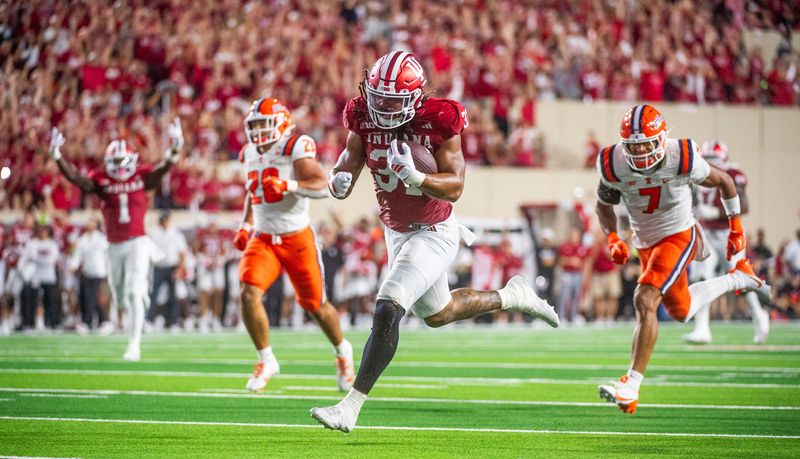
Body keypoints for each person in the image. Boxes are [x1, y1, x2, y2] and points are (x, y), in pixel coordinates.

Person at [310, 51, 559, 433]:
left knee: (387, 307)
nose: (382, 107)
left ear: (414, 97)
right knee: (438, 314)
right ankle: (513, 296)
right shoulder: (361, 114)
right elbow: (349, 158)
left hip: (433, 231)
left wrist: (418, 178)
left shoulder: (440, 118)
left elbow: (455, 186)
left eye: (392, 100)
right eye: (378, 98)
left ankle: (351, 406)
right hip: (396, 231)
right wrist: (337, 180)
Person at [594, 104, 771, 414]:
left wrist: (736, 232)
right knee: (681, 311)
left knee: (644, 298)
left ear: (662, 138)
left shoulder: (682, 156)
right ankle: (738, 278)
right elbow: (603, 205)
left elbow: (726, 182)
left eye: (647, 143)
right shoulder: (612, 163)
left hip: (678, 234)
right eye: (634, 146)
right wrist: (612, 237)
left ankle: (630, 385)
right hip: (645, 241)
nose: (642, 152)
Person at [233, 98, 355, 392]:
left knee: (316, 306)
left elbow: (321, 184)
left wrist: (289, 186)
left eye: (265, 125)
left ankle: (342, 351)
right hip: (263, 237)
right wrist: (246, 224)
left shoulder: (294, 147)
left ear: (282, 124)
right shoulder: (249, 152)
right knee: (248, 291)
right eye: (255, 126)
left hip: (296, 237)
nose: (259, 132)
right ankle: (266, 358)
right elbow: (255, 190)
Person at [48, 118, 184, 361]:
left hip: (137, 243)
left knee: (133, 291)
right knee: (120, 296)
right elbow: (77, 180)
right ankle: (137, 303)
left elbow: (164, 169)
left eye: (123, 161)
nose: (120, 167)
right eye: (115, 162)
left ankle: (134, 345)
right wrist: (58, 157)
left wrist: (175, 150)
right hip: (114, 246)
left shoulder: (142, 178)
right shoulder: (101, 180)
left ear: (133, 162)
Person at [684, 140, 770, 344]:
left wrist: (714, 213)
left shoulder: (733, 175)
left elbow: (744, 206)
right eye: (708, 159)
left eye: (715, 159)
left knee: (741, 280)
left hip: (728, 233)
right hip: (706, 234)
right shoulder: (697, 175)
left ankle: (759, 315)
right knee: (702, 276)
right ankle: (702, 328)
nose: (711, 164)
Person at [71, 218, 113, 335]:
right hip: (87, 271)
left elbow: (108, 255)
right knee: (89, 297)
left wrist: (108, 271)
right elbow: (77, 255)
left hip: (100, 272)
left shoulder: (102, 239)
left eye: (92, 221)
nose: (90, 223)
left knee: (92, 296)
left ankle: (87, 322)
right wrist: (73, 265)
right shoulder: (83, 239)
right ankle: (103, 321)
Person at [147, 210, 187, 331]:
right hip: (158, 267)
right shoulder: (154, 233)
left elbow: (181, 252)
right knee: (153, 294)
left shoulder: (175, 233)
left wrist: (180, 267)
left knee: (173, 296)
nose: (164, 222)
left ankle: (173, 321)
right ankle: (149, 320)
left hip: (172, 267)